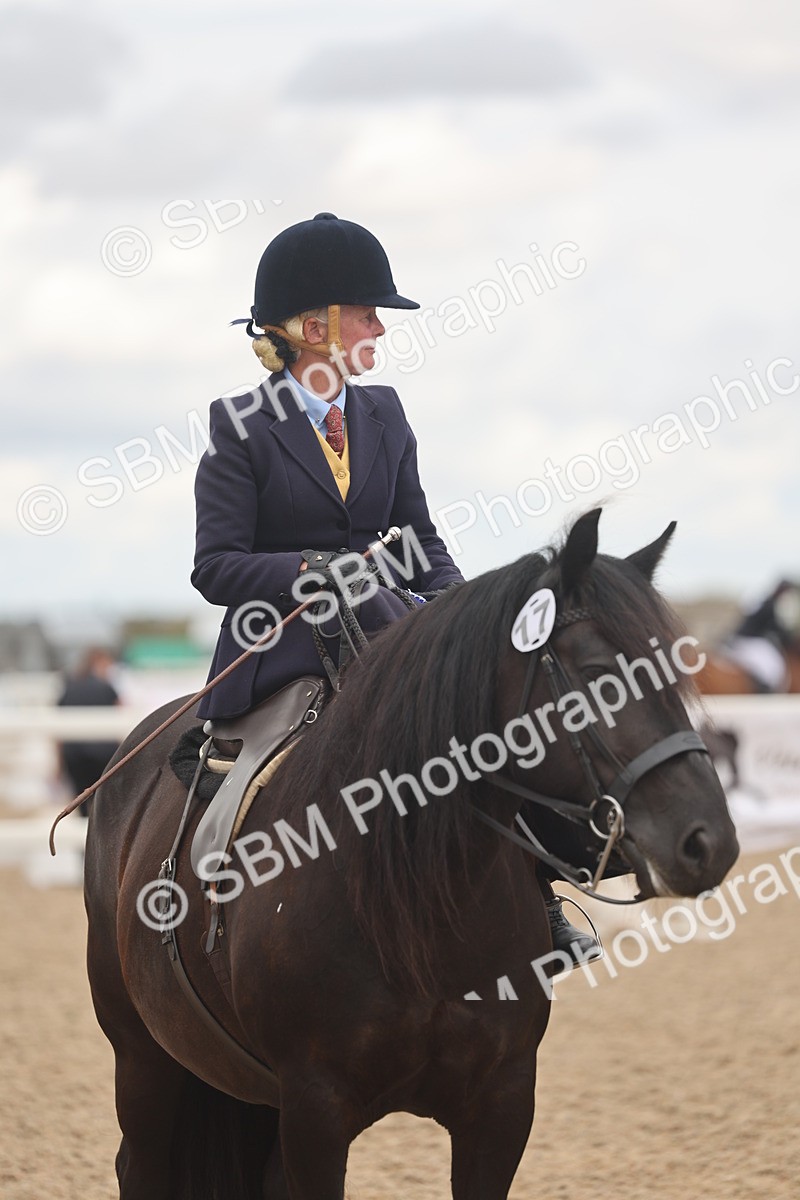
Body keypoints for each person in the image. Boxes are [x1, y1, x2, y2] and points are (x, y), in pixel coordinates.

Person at [191, 211, 597, 962]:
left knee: (499, 718)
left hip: (381, 623)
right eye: (368, 312)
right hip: (285, 643)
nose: (380, 326)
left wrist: (465, 611)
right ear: (315, 326)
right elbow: (214, 567)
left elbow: (416, 540)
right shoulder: (241, 425)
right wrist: (311, 571)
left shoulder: (383, 412)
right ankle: (218, 895)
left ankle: (539, 896)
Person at [57, 647, 120, 817]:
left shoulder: (69, 686)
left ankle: (84, 841)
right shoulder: (106, 687)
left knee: (81, 803)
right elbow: (122, 715)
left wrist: (58, 763)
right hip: (105, 754)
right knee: (107, 804)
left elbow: (57, 725)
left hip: (74, 754)